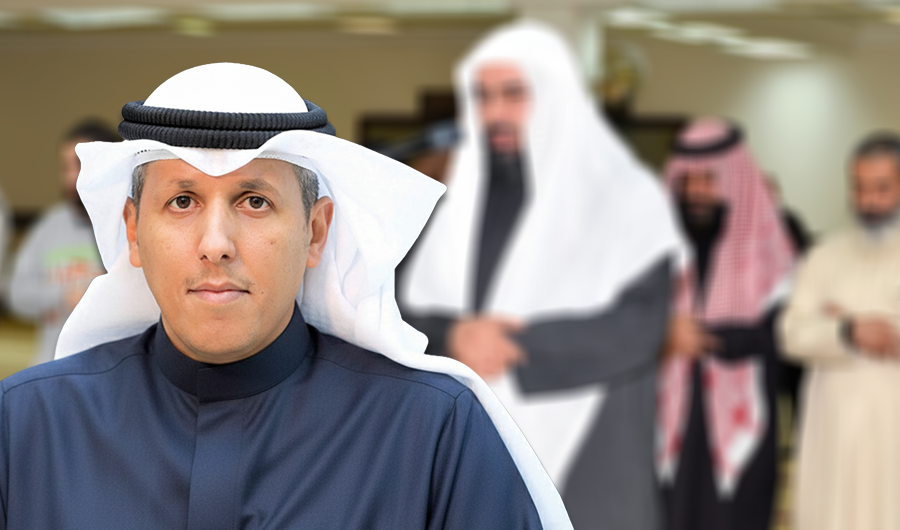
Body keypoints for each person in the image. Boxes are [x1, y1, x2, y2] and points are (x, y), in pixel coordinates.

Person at [0, 63, 571, 529]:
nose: (216, 245)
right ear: (133, 232)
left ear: (315, 232)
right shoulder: (25, 427)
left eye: (255, 201)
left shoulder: (433, 434)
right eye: (182, 202)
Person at [400, 21, 683, 529]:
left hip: (594, 456)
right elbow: (399, 307)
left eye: (514, 95)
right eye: (483, 97)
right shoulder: (452, 207)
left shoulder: (627, 200)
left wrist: (516, 345)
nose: (495, 113)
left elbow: (639, 327)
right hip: (478, 448)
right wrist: (454, 335)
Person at [657, 118, 796, 530]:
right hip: (667, 423)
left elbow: (784, 334)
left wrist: (708, 338)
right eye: (689, 180)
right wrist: (663, 335)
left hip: (744, 422)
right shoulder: (657, 247)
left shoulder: (769, 251)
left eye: (709, 180)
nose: (697, 191)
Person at [779, 132, 900, 530]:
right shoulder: (823, 257)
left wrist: (849, 323)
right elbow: (791, 333)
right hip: (832, 431)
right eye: (859, 187)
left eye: (881, 188)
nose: (868, 201)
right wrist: (848, 331)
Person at [6, 120, 113, 365]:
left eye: (79, 165)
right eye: (65, 167)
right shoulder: (49, 226)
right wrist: (63, 297)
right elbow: (15, 293)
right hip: (51, 367)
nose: (71, 177)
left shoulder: (130, 228)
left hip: (108, 372)